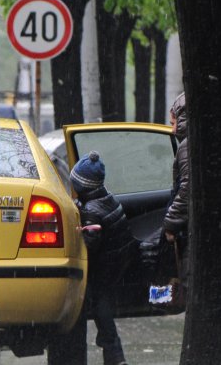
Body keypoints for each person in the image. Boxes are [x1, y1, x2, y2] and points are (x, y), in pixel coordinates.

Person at [68, 151, 135, 365]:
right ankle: (110, 347)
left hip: (102, 268)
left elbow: (89, 245)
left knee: (99, 305)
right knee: (102, 305)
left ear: (82, 187)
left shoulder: (91, 211)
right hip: (117, 262)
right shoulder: (107, 198)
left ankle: (114, 353)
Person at [163, 92, 190, 285]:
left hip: (188, 228)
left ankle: (160, 300)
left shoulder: (187, 147)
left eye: (174, 123)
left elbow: (187, 187)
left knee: (187, 278)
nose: (172, 130)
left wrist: (171, 222)